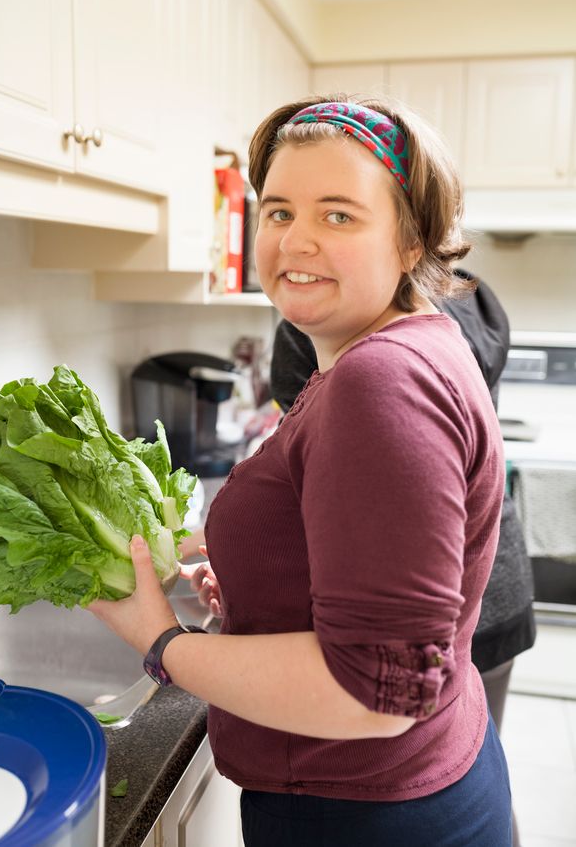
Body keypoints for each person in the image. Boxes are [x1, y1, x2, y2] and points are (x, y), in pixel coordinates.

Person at [89, 95, 512, 846]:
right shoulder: (407, 344)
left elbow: (376, 693)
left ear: (411, 243)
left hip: (361, 814)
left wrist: (161, 641)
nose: (296, 241)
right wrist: (267, 583)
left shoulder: (379, 383)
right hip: (417, 781)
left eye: (338, 214)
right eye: (279, 211)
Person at [270, 272, 536, 847]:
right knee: (461, 756)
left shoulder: (333, 311)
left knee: (423, 767)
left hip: (417, 588)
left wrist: (168, 646)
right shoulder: (473, 295)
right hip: (491, 572)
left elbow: (323, 459)